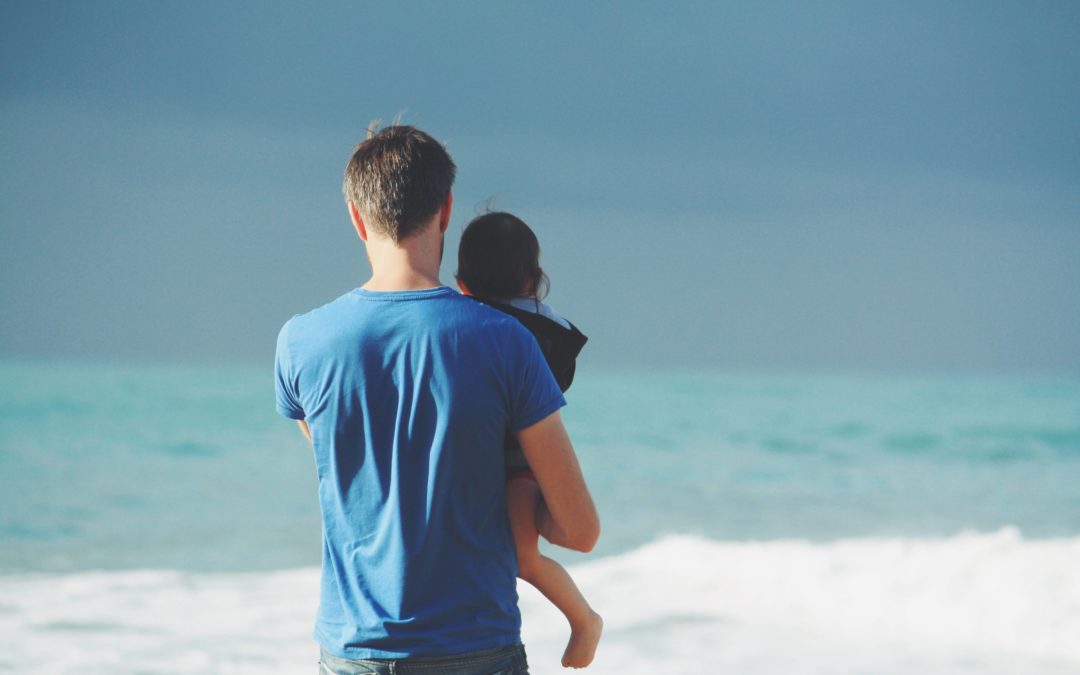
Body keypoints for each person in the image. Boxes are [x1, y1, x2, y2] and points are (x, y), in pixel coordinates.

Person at [274, 124, 600, 675]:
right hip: (475, 647)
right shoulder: (506, 342)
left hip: (354, 650)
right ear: (446, 211)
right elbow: (580, 530)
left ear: (356, 217)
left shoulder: (299, 343)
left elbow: (348, 467)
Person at [455, 212, 602, 669]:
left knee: (522, 555)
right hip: (525, 463)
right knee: (522, 554)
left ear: (461, 284)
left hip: (520, 461)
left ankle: (584, 620)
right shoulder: (547, 326)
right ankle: (582, 618)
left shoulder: (469, 325)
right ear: (535, 278)